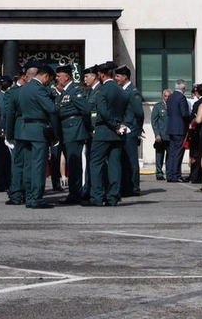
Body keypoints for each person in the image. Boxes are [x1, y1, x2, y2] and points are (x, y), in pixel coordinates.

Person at [12, 62, 60, 209]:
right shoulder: (38, 89)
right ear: (45, 76)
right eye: (49, 79)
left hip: (26, 129)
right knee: (39, 165)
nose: (49, 83)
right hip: (38, 129)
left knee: (28, 165)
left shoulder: (24, 88)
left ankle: (29, 195)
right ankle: (36, 197)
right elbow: (51, 108)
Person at [83, 62, 130, 207]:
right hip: (118, 134)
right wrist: (122, 125)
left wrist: (114, 126)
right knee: (115, 165)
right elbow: (129, 112)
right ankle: (113, 197)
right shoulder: (122, 90)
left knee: (96, 164)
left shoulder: (102, 91)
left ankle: (97, 197)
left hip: (104, 131)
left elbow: (103, 112)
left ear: (102, 75)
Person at [54, 65, 88, 204]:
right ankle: (74, 192)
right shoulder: (63, 93)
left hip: (74, 131)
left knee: (74, 164)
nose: (56, 78)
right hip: (65, 132)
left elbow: (85, 110)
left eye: (58, 76)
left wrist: (84, 128)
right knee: (70, 163)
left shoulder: (75, 91)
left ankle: (76, 193)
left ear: (66, 77)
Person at [116, 67, 144, 197]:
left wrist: (137, 128)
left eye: (118, 76)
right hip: (124, 128)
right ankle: (126, 186)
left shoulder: (133, 92)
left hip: (130, 129)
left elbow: (139, 112)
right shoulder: (123, 90)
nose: (116, 78)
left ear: (125, 77)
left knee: (132, 160)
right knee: (124, 159)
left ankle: (134, 187)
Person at [0, 75, 18, 202]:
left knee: (3, 159)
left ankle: (3, 182)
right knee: (4, 159)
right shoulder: (3, 97)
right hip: (2, 131)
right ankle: (3, 183)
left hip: (1, 131)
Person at [164, 79, 191, 183]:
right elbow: (184, 113)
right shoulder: (181, 97)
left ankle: (170, 174)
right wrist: (191, 119)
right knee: (178, 153)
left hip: (171, 128)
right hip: (180, 129)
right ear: (183, 88)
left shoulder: (170, 97)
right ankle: (176, 175)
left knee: (172, 153)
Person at [150, 89, 169, 181]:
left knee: (170, 155)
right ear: (163, 96)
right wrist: (157, 134)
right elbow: (154, 121)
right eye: (165, 96)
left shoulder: (173, 106)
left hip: (169, 135)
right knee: (159, 155)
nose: (167, 98)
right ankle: (159, 173)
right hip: (161, 135)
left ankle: (169, 172)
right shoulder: (158, 106)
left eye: (169, 96)